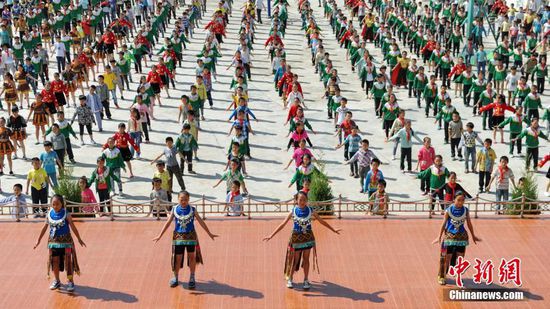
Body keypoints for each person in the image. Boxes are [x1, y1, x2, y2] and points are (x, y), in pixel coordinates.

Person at [263, 191, 341, 289]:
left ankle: (306, 279)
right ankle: (290, 279)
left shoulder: (311, 210)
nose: (302, 202)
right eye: (300, 200)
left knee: (306, 259)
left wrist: (333, 230)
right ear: (296, 200)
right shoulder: (293, 211)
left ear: (307, 200)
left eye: (304, 200)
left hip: (307, 238)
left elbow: (321, 221)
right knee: (294, 260)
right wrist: (271, 235)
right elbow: (283, 224)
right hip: (296, 238)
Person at [152, 191, 218, 289]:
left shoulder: (193, 210)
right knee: (177, 258)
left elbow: (201, 222)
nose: (183, 201)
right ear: (178, 199)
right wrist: (159, 235)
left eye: (185, 199)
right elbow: (168, 223)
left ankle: (192, 277)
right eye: (181, 199)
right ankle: (176, 277)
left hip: (190, 237)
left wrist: (209, 233)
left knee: (192, 257)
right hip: (178, 238)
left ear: (188, 200)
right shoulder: (174, 209)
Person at [33, 194, 86, 292]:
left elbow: (73, 226)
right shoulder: (49, 214)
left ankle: (70, 281)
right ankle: (57, 280)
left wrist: (79, 238)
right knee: (54, 261)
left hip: (66, 242)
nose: (55, 206)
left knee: (68, 262)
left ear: (62, 204)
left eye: (57, 204)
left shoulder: (66, 214)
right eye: (53, 204)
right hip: (53, 242)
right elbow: (44, 227)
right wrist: (38, 240)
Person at [433, 192, 481, 285]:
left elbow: (469, 223)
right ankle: (442, 275)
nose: (460, 202)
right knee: (447, 257)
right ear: (454, 199)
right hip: (450, 236)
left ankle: (458, 275)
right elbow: (443, 223)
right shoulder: (449, 210)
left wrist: (473, 235)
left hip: (461, 237)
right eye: (458, 200)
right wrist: (439, 236)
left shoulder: (465, 210)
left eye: (462, 200)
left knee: (460, 258)